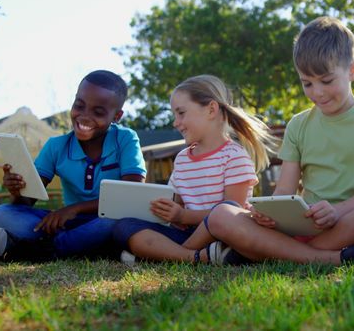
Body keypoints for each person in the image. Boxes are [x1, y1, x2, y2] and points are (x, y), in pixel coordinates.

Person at [202, 16, 354, 265]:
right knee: (221, 215)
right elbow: (285, 190)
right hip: (304, 226)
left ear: (352, 71)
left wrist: (336, 211)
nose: (317, 92)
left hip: (350, 222)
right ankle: (331, 257)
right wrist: (268, 213)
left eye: (327, 81)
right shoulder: (298, 124)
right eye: (307, 83)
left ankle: (271, 252)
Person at [112, 74, 277, 264]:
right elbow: (177, 202)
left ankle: (167, 255)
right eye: (174, 115)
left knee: (227, 211)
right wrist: (168, 211)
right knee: (124, 226)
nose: (175, 122)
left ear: (211, 109)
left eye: (181, 113)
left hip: (223, 235)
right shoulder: (182, 159)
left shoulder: (234, 156)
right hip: (190, 235)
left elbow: (233, 212)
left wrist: (183, 216)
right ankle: (194, 257)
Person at [0, 70, 146, 261]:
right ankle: (94, 248)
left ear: (117, 116)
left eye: (98, 112)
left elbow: (132, 195)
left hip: (105, 221)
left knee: (119, 222)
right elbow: (25, 204)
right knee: (3, 213)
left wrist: (75, 208)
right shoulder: (56, 146)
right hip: (68, 224)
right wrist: (17, 190)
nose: (84, 116)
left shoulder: (126, 139)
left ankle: (35, 250)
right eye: (79, 106)